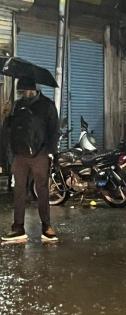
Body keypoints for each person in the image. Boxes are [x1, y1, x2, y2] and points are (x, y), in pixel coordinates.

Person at [0, 77, 59, 242]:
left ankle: (46, 226)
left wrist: (50, 152)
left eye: (27, 90)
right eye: (22, 91)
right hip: (19, 155)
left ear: (34, 89)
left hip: (40, 154)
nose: (24, 94)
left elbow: (54, 130)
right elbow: (9, 130)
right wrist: (6, 116)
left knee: (42, 190)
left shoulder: (47, 105)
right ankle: (18, 228)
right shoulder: (17, 106)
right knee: (19, 191)